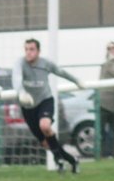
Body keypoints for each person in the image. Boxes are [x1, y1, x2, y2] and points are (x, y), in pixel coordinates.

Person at [12, 38, 83, 173]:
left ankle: (58, 160)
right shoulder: (20, 63)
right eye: (26, 49)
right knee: (45, 143)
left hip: (45, 101)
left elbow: (61, 72)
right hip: (27, 107)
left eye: (32, 49)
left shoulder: (45, 64)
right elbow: (16, 78)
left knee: (45, 126)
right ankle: (71, 160)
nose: (28, 52)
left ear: (38, 51)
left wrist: (76, 81)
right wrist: (21, 92)